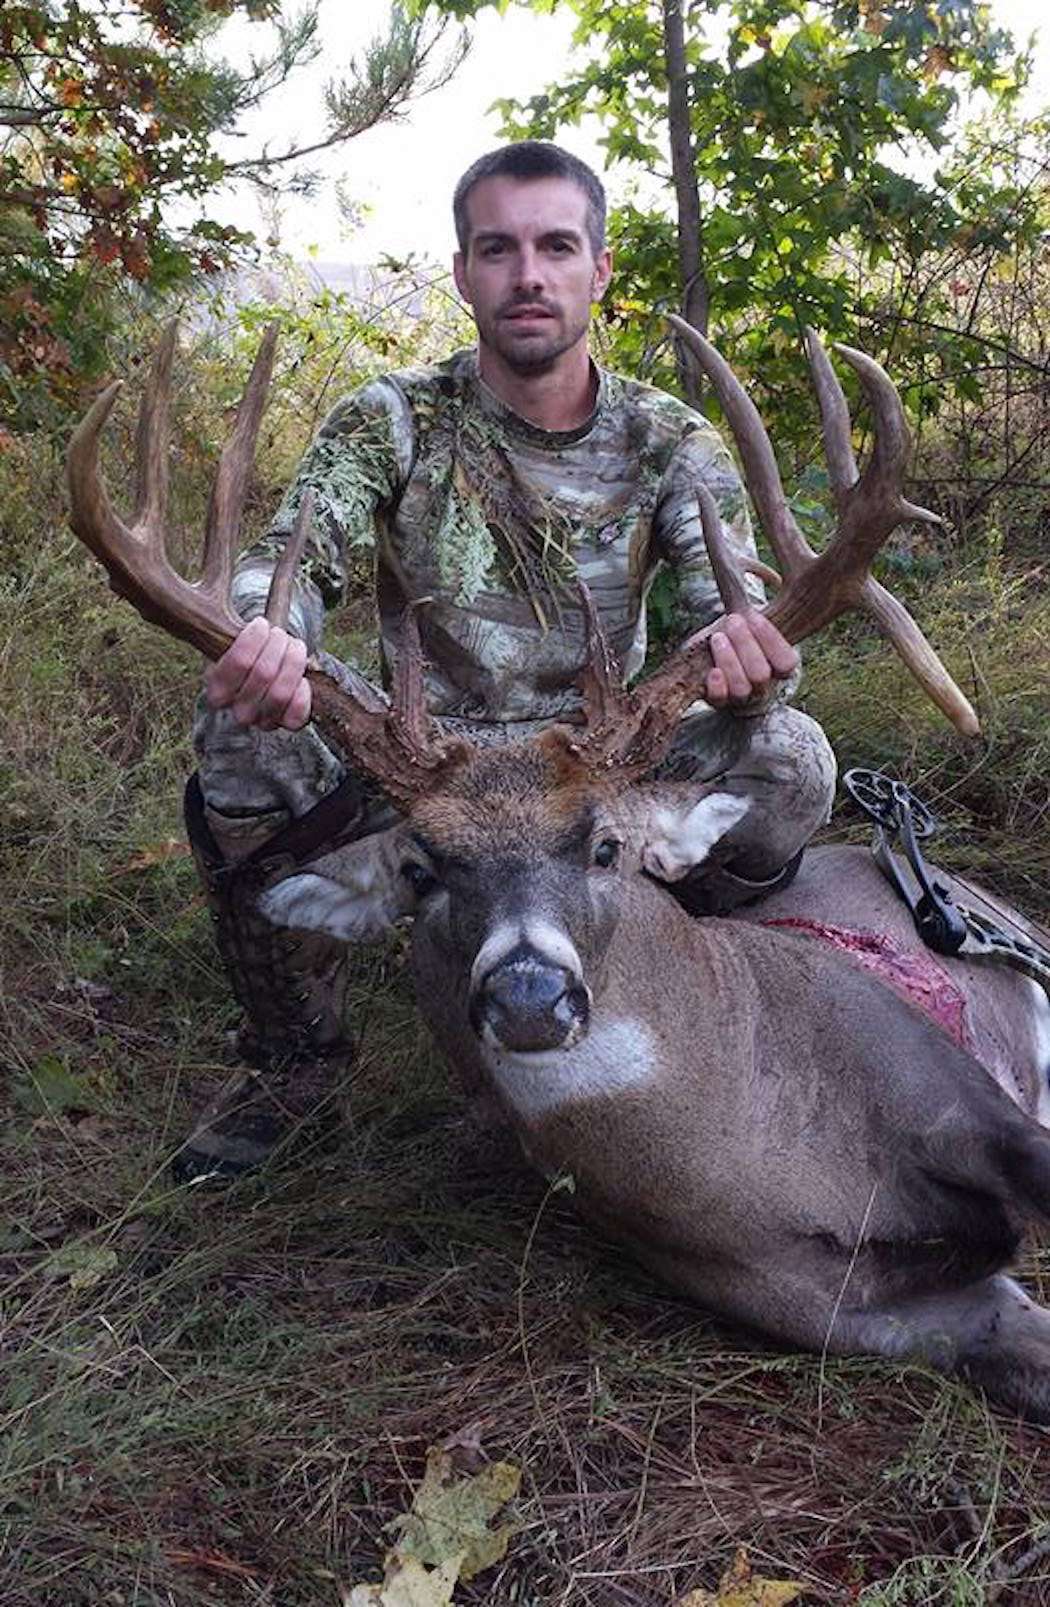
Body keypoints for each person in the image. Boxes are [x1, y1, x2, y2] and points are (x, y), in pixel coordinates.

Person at [178, 140, 836, 1182]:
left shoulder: (669, 439)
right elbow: (290, 559)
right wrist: (270, 630)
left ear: (598, 271)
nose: (528, 273)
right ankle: (293, 1058)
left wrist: (755, 658)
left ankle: (709, 989)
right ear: (463, 272)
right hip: (422, 776)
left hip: (588, 774)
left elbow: (736, 607)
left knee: (791, 754)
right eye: (499, 248)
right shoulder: (393, 419)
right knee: (237, 732)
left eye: (555, 246)